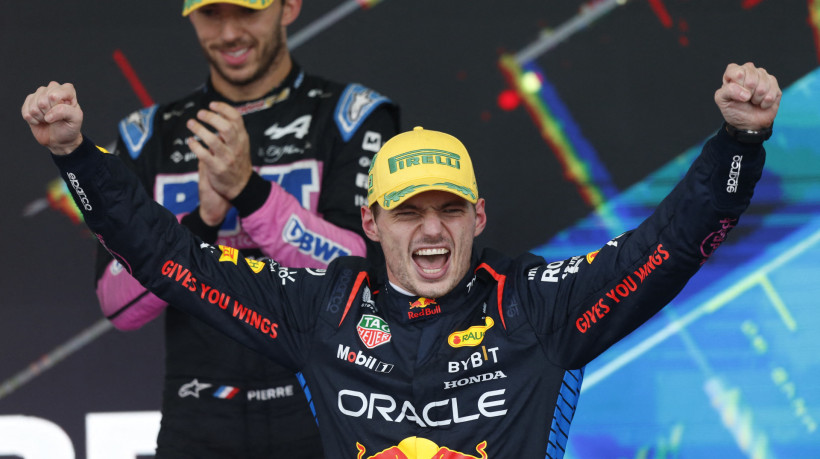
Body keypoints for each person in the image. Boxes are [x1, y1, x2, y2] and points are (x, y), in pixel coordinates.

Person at [23, 62, 779, 458]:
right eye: (410, 212)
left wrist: (740, 144)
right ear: (372, 222)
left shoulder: (535, 303)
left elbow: (670, 244)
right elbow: (167, 259)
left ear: (478, 217)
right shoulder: (322, 307)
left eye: (450, 209)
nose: (432, 230)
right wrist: (74, 156)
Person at [91, 0, 398, 456]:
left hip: (327, 405)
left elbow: (365, 274)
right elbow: (117, 304)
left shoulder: (353, 117)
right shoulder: (146, 135)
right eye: (211, 14)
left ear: (288, 8)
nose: (230, 32)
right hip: (198, 416)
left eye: (247, 11)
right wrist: (202, 223)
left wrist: (248, 191)